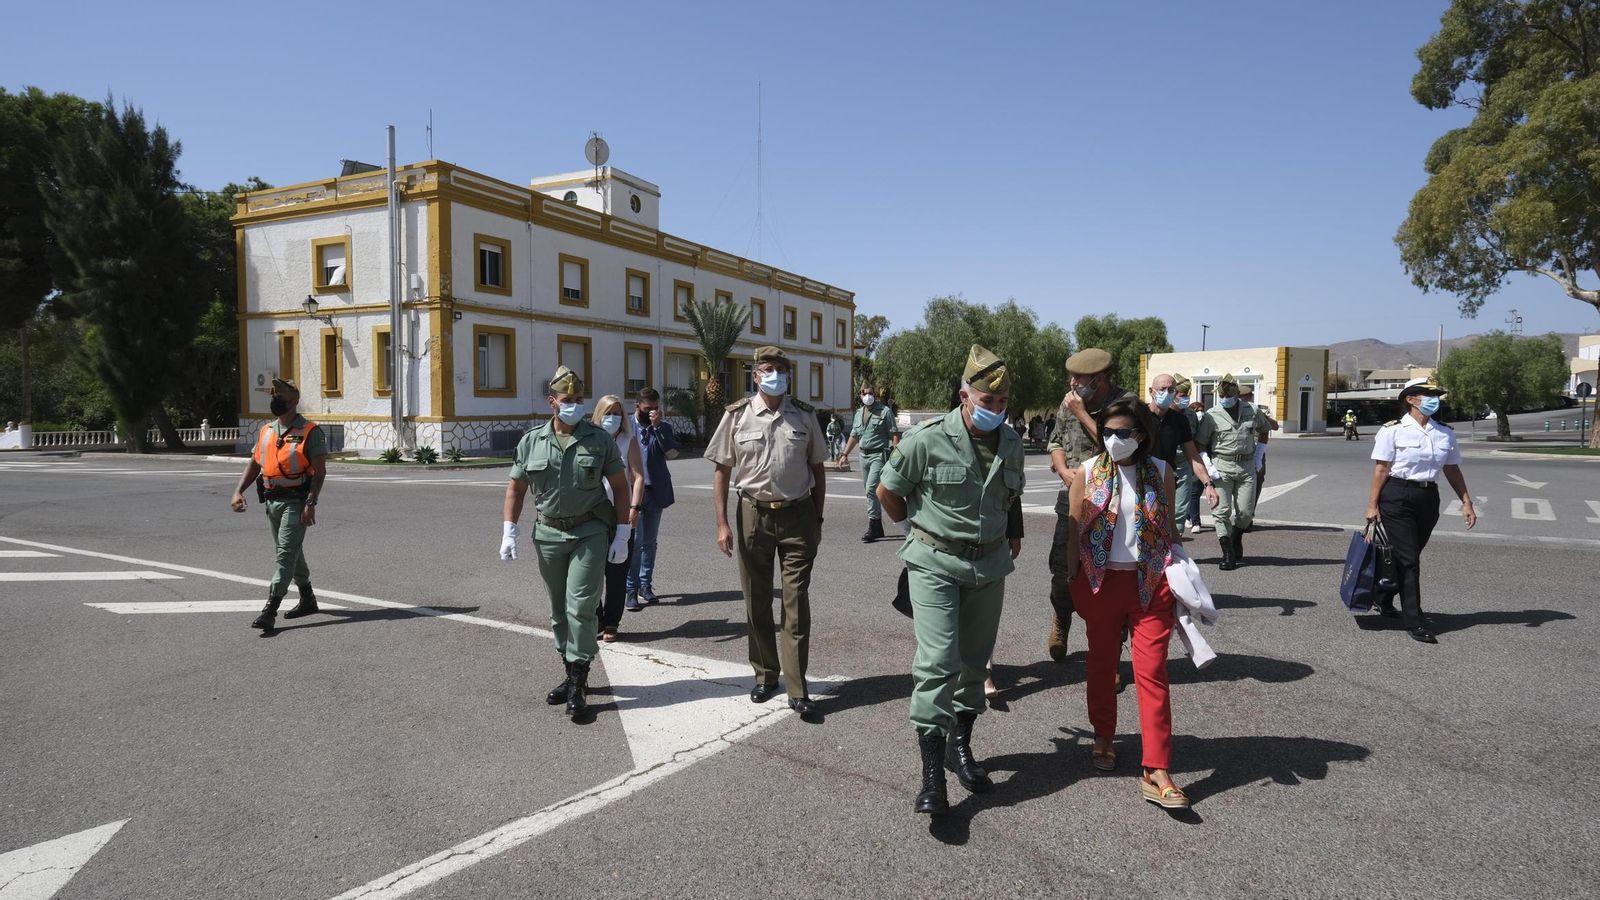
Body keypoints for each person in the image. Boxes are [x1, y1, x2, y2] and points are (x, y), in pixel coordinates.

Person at [877, 345, 1025, 815]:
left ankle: (959, 748)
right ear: (965, 395)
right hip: (936, 564)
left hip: (989, 567)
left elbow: (1010, 496)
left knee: (974, 664)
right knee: (938, 661)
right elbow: (888, 492)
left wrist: (1009, 538)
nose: (996, 411)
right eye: (987, 401)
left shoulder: (1012, 441)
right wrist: (919, 534)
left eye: (1003, 404)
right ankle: (930, 776)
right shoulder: (926, 439)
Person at [1069, 398, 1189, 810]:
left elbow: (1169, 527)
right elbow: (1072, 534)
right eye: (1108, 432)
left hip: (1150, 583)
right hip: (1100, 584)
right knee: (1101, 664)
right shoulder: (1087, 472)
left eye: (1124, 433)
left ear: (1141, 435)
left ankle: (1156, 769)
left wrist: (1181, 574)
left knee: (1152, 671)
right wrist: (1073, 582)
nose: (1115, 440)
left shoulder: (1161, 472)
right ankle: (1104, 735)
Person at [500, 366, 631, 721]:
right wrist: (509, 530)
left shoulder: (598, 439)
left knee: (581, 606)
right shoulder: (532, 440)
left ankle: (578, 682)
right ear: (552, 402)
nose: (573, 405)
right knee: (558, 610)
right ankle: (570, 671)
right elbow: (516, 487)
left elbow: (620, 487)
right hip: (549, 534)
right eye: (567, 400)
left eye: (578, 400)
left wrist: (622, 532)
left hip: (590, 532)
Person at [706, 346, 829, 719]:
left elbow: (818, 470)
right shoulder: (737, 416)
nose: (774, 374)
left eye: (780, 368)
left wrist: (817, 520)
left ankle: (797, 686)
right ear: (755, 376)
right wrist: (723, 523)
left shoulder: (805, 416)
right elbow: (722, 472)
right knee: (756, 599)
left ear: (787, 375)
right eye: (767, 368)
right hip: (752, 515)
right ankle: (765, 675)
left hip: (798, 516)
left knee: (795, 603)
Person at [1366, 377, 1477, 643]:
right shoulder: (1392, 430)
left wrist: (1466, 501)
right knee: (1409, 561)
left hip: (1428, 497)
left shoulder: (1444, 432)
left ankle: (1382, 597)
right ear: (1411, 399)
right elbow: (1381, 469)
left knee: (1410, 554)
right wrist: (1372, 505)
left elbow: (1451, 469)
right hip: (1397, 495)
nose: (1434, 400)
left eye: (1437, 396)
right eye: (1428, 396)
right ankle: (1414, 620)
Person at [1044, 348, 1135, 663]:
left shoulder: (1126, 404)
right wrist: (1064, 469)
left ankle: (1110, 655)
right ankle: (1061, 620)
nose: (1072, 382)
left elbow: (1121, 449)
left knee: (1112, 578)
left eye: (1078, 377)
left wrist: (1083, 412)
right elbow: (1056, 441)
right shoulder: (1068, 400)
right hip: (1071, 498)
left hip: (1113, 501)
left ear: (1098, 379)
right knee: (1062, 571)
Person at [231, 378, 328, 631]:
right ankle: (307, 598)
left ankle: (270, 609)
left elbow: (319, 473)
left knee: (285, 554)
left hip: (296, 501)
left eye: (281, 396)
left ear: (294, 401)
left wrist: (311, 503)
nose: (276, 400)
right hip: (272, 501)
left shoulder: (310, 432)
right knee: (291, 551)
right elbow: (254, 464)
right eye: (274, 395)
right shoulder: (266, 431)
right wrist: (238, 491)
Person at [591, 395, 646, 635]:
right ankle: (597, 620)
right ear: (598, 414)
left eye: (616, 413)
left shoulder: (628, 440)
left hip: (622, 516)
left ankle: (612, 622)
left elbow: (638, 477)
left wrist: (634, 508)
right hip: (592, 516)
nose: (611, 418)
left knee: (616, 574)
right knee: (591, 572)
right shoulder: (589, 439)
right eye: (607, 413)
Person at [1192, 374, 1258, 570]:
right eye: (1221, 394)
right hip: (1222, 466)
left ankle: (1236, 535)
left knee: (1246, 513)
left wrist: (1260, 453)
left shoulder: (1252, 411)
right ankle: (1227, 552)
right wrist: (1207, 464)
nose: (1224, 397)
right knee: (1221, 511)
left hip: (1246, 467)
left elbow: (1264, 429)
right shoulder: (1212, 414)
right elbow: (1200, 442)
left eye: (1227, 394)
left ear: (1236, 394)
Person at [1146, 373, 1218, 539]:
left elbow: (1192, 455)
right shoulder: (1139, 416)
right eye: (1162, 389)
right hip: (1141, 480)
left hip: (1168, 478)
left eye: (1171, 389)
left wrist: (1208, 484)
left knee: (1172, 521)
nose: (1167, 393)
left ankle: (1171, 555)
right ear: (1151, 391)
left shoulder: (1179, 420)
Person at [627, 387, 677, 607]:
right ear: (637, 406)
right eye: (648, 409)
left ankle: (646, 586)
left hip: (655, 492)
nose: (652, 413)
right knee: (635, 542)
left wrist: (658, 429)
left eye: (656, 409)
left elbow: (672, 454)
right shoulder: (626, 426)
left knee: (650, 543)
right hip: (632, 493)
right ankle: (631, 588)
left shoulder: (663, 427)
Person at [836, 381, 900, 542]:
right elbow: (854, 435)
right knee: (869, 490)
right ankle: (878, 526)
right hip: (863, 456)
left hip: (879, 455)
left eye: (871, 393)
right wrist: (844, 454)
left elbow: (894, 433)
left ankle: (874, 525)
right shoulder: (859, 413)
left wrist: (896, 453)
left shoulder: (884, 411)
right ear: (860, 395)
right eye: (865, 394)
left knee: (871, 489)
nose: (868, 396)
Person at [1239, 386, 1279, 529]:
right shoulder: (1233, 411)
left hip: (1257, 450)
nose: (1243, 399)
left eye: (1245, 397)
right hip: (1239, 450)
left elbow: (1275, 427)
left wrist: (1264, 416)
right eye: (1241, 397)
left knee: (1257, 481)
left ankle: (1249, 516)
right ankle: (1242, 515)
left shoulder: (1257, 411)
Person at [1173, 376, 1205, 535]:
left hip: (1184, 463)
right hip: (1162, 462)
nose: (1185, 399)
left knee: (1180, 507)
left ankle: (1176, 539)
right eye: (1181, 395)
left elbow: (1195, 441)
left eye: (1187, 395)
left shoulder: (1191, 415)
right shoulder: (1160, 412)